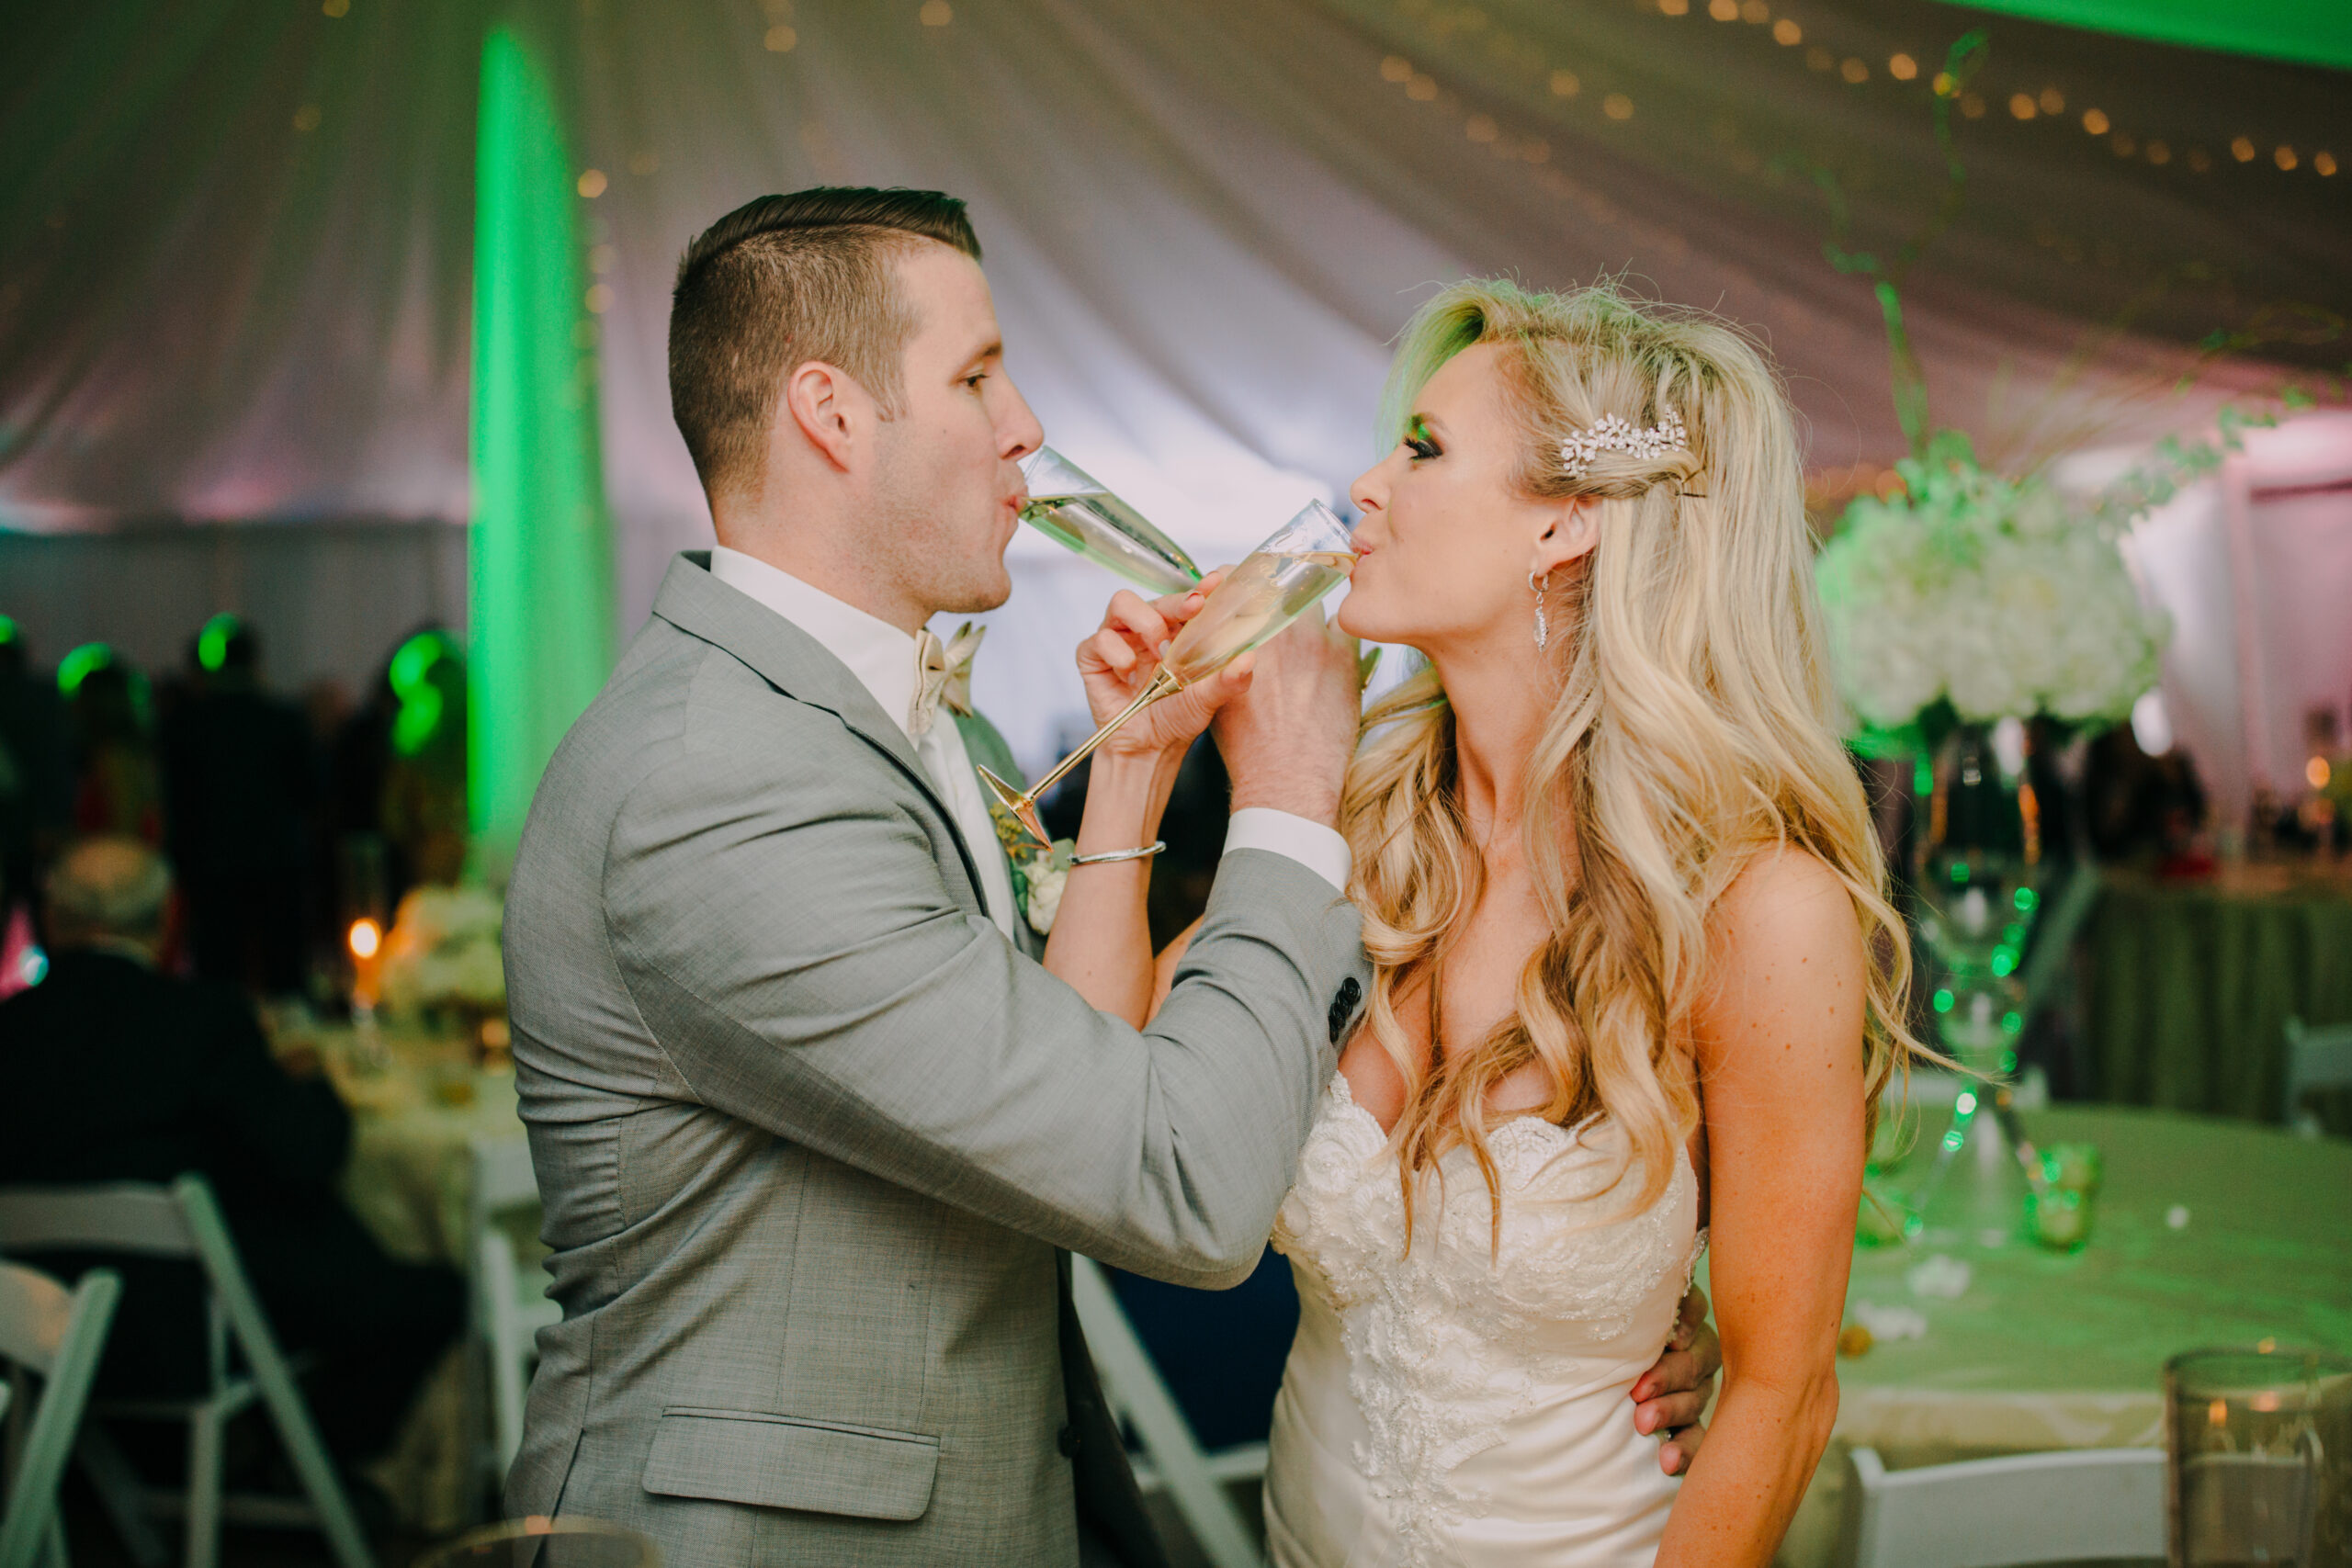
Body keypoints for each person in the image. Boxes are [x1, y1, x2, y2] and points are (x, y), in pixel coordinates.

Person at [499, 187, 1723, 1565]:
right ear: (832, 415)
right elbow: (1171, 1175)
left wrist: (1135, 769)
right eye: (976, 376)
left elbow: (1063, 1079)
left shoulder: (901, 726)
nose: (1027, 424)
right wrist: (1286, 797)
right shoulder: (718, 776)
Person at [1059, 278, 1923, 1565]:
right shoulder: (1351, 842)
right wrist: (1133, 756)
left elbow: (1781, 1392)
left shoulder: (1754, 910)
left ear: (1566, 525)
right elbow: (1090, 1103)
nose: (1364, 482)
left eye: (1422, 448)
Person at [0, 836, 464, 1472]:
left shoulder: (11, 1030)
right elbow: (309, 1154)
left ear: (53, 920)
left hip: (30, 1339)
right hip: (186, 1340)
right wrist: (309, 1079)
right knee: (430, 1297)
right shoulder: (200, 1019)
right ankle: (297, 1467)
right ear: (167, 920)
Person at [161, 617, 320, 994]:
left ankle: (224, 1046)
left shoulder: (187, 723)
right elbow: (310, 792)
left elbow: (177, 801)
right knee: (284, 974)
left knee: (219, 976)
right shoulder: (285, 718)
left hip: (212, 867)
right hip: (279, 864)